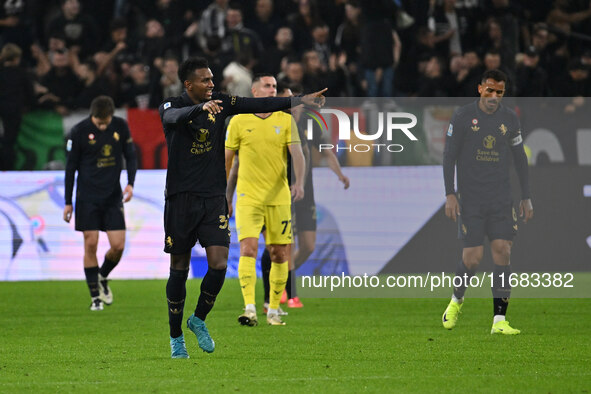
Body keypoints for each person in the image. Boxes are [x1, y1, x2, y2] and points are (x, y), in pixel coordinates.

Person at [159, 57, 326, 358]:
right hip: (181, 199)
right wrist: (200, 109)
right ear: (188, 84)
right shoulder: (170, 106)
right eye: (205, 80)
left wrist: (299, 101)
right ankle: (175, 337)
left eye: (212, 79)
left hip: (212, 198)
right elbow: (174, 119)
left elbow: (258, 105)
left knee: (220, 264)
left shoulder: (221, 102)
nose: (212, 84)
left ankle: (198, 319)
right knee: (179, 269)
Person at [442, 69, 533, 335]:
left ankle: (499, 321)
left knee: (503, 251)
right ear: (480, 88)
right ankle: (457, 300)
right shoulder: (462, 117)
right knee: (472, 258)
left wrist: (526, 196)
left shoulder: (510, 119)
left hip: (501, 198)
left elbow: (520, 159)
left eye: (500, 92)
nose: (494, 96)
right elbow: (449, 157)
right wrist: (450, 193)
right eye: (490, 90)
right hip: (471, 199)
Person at [258, 83, 350, 310]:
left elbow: (326, 152)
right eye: (287, 101)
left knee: (308, 246)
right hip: (280, 192)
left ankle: (280, 279)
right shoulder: (272, 123)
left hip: (305, 192)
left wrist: (340, 175)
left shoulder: (311, 121)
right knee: (282, 244)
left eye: (293, 99)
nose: (292, 106)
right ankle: (288, 293)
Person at [224, 74, 306, 327]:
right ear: (255, 90)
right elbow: (228, 161)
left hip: (278, 198)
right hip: (248, 198)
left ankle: (272, 309)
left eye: (274, 87)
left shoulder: (285, 120)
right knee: (248, 249)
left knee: (279, 253)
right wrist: (223, 194)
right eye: (268, 86)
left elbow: (298, 154)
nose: (273, 90)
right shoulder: (238, 121)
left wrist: (299, 182)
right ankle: (249, 308)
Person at [63, 95, 137, 312]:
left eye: (106, 122)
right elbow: (70, 168)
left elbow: (131, 156)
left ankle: (102, 275)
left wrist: (130, 183)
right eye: (99, 122)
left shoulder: (120, 126)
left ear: (111, 116)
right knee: (91, 243)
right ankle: (95, 297)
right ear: (92, 116)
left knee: (118, 246)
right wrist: (68, 202)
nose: (103, 125)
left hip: (113, 196)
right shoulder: (79, 131)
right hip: (87, 197)